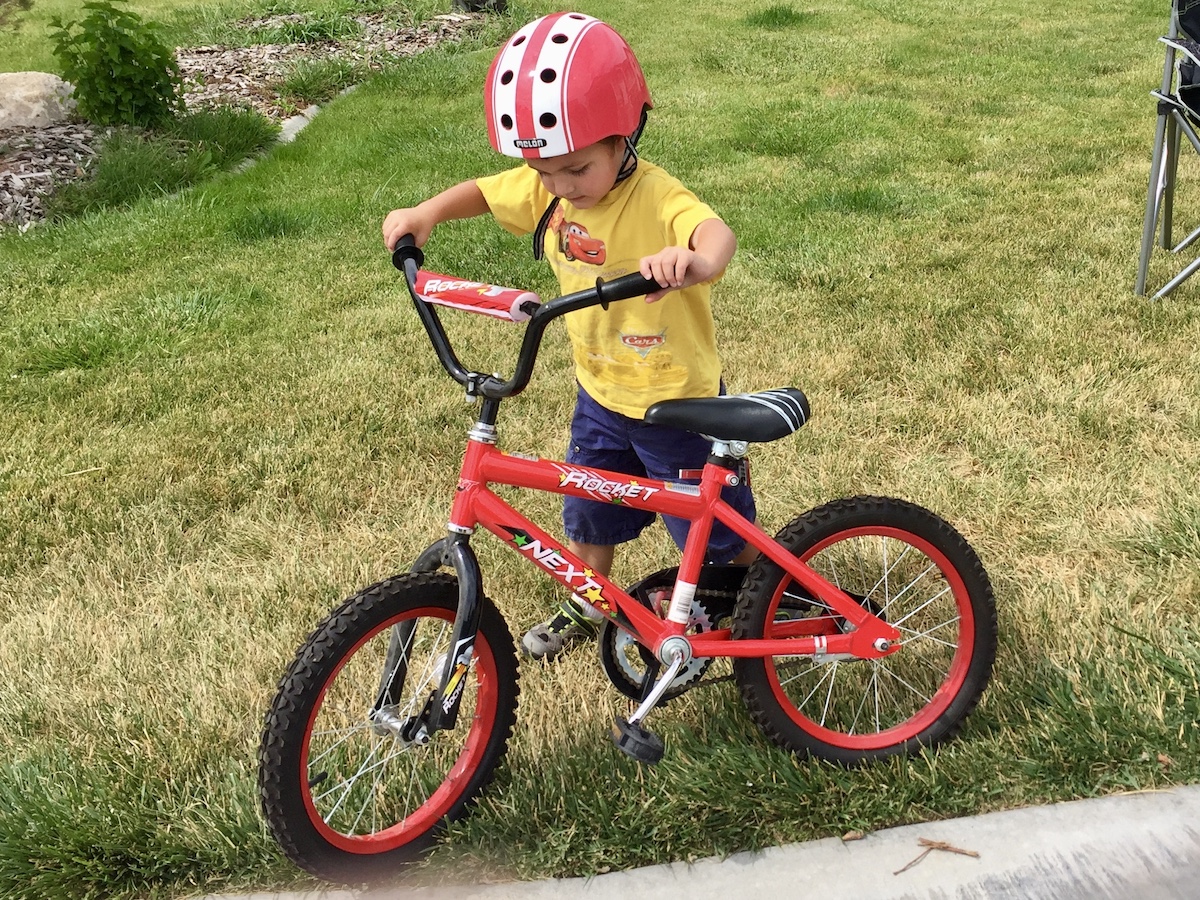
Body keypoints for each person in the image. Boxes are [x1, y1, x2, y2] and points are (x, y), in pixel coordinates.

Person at [382, 11, 757, 660]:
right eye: (543, 170)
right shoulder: (552, 188)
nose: (557, 186)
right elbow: (484, 190)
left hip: (675, 400)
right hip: (601, 391)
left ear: (624, 137)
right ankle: (590, 598)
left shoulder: (655, 196)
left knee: (715, 528)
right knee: (589, 511)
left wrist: (692, 261)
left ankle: (757, 594)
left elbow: (714, 235)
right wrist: (427, 213)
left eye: (575, 169)